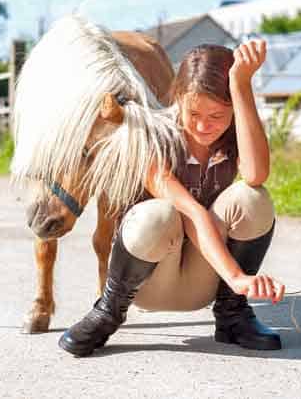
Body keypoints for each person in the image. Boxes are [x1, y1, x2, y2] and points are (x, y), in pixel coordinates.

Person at [59, 40, 285, 357]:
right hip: (149, 281)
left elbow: (256, 174)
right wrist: (237, 275)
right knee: (159, 214)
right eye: (194, 113)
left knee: (253, 197)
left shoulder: (233, 136)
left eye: (218, 115)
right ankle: (107, 312)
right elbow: (191, 213)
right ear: (177, 97)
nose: (205, 126)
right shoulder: (151, 134)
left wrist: (241, 85)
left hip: (203, 278)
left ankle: (232, 316)